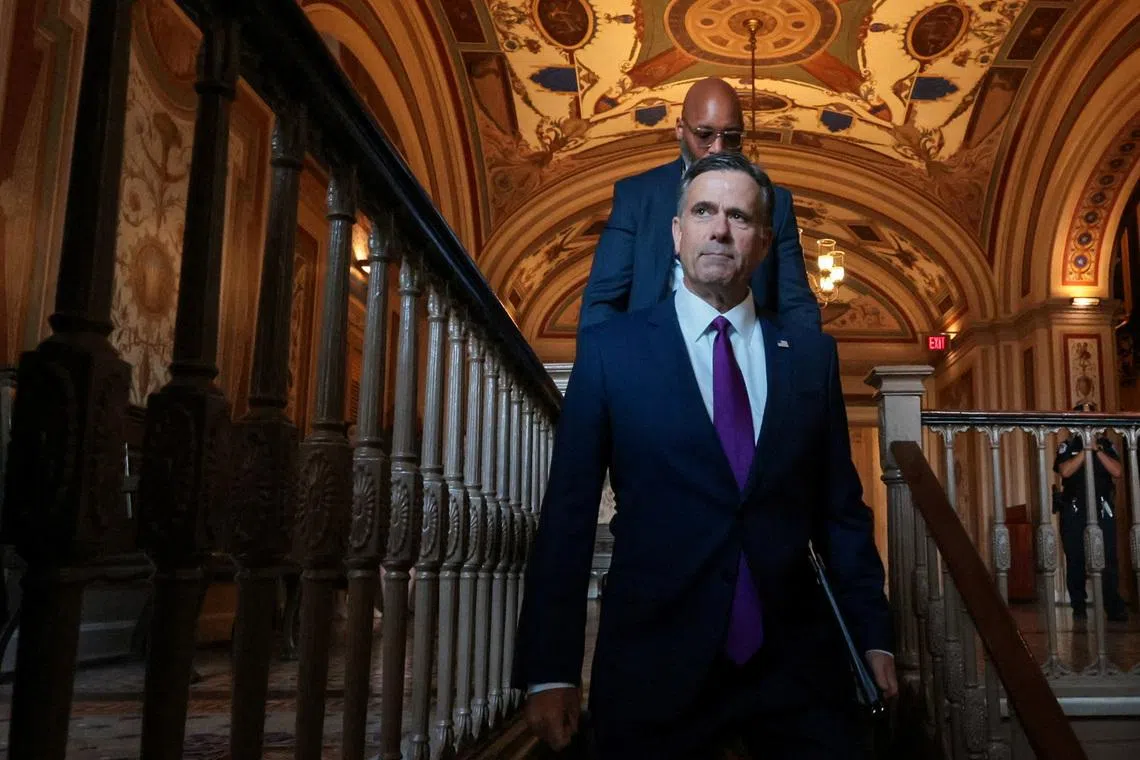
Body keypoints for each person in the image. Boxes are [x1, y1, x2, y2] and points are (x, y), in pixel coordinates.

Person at [515, 152, 895, 759]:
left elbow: (842, 515)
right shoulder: (613, 352)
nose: (720, 229)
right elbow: (567, 514)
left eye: (739, 216)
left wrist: (874, 634)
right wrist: (550, 669)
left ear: (764, 241)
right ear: (676, 232)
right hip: (652, 662)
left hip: (794, 667)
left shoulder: (809, 358)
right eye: (703, 211)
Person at [578, 77, 820, 332]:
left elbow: (797, 306)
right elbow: (602, 304)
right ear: (680, 129)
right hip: (652, 353)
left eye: (732, 137)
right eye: (704, 135)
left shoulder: (777, 202)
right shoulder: (637, 196)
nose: (718, 148)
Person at [1053, 402, 1128, 622]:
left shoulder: (1106, 444)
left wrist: (1096, 449)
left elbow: (1117, 471)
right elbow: (1065, 471)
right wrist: (1085, 450)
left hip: (1102, 506)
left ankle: (1113, 606)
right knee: (1075, 557)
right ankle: (1078, 606)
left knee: (1108, 557)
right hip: (1075, 507)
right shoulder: (1067, 445)